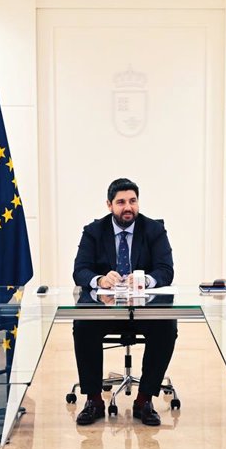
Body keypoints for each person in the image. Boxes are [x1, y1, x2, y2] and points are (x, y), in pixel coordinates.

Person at [71, 178, 177, 426]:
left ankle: (144, 400)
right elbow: (80, 271)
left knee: (166, 326)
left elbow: (166, 270)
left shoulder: (154, 230)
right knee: (83, 325)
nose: (128, 207)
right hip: (106, 311)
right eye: (121, 202)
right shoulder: (93, 231)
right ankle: (94, 400)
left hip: (143, 310)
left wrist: (145, 280)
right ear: (109, 205)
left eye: (132, 201)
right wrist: (99, 279)